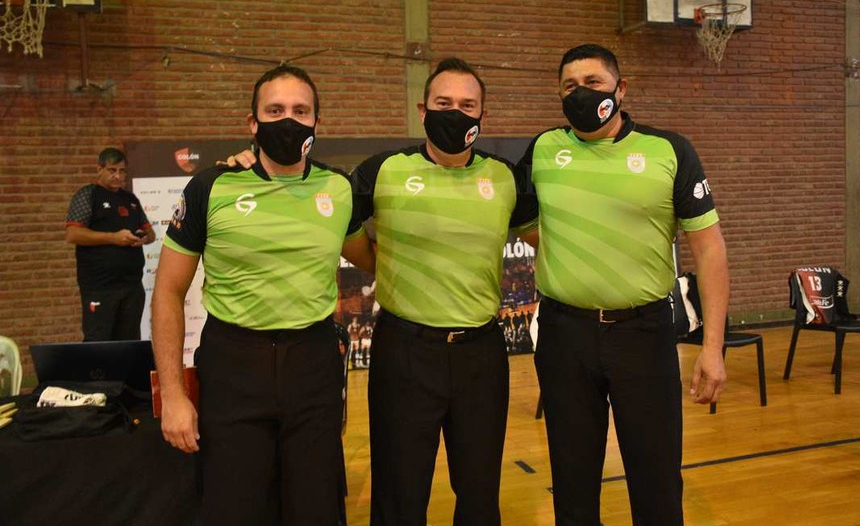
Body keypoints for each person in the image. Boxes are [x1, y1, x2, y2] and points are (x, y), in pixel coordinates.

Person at [513, 43, 729, 525]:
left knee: (655, 480)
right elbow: (525, 224)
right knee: (571, 480)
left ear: (621, 88)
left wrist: (712, 347)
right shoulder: (544, 149)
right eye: (570, 86)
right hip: (565, 335)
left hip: (643, 333)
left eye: (592, 82)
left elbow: (710, 249)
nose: (581, 93)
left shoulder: (668, 150)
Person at [151, 64, 374, 525]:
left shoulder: (337, 188)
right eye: (274, 110)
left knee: (315, 508)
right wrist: (172, 394)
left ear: (317, 122)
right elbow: (168, 292)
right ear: (252, 123)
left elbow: (372, 256)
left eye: (300, 110)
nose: (288, 120)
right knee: (234, 508)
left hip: (312, 362)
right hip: (234, 363)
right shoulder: (212, 186)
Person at [354, 58, 522, 525]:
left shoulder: (507, 177)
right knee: (399, 493)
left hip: (481, 355)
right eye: (444, 103)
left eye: (468, 105)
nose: (456, 112)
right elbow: (340, 223)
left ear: (482, 114)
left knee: (479, 490)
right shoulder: (382, 170)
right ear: (422, 109)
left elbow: (541, 236)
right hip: (406, 352)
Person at [65, 148, 156, 342]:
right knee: (98, 341)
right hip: (100, 286)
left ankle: (126, 374)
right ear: (99, 169)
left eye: (122, 171)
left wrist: (142, 239)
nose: (118, 176)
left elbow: (151, 233)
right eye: (112, 170)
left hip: (131, 286)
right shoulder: (88, 195)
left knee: (128, 342)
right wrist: (113, 238)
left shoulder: (130, 199)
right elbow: (73, 234)